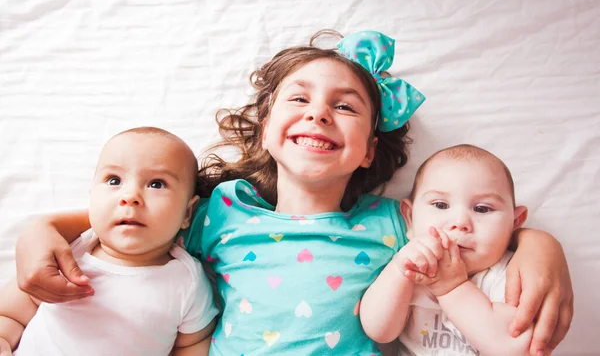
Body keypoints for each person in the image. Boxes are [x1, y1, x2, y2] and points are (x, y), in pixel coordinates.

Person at [13, 31, 572, 355]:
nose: (320, 113)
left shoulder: (394, 222)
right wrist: (38, 229)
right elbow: (119, 216)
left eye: (346, 106)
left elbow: (473, 230)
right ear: (264, 127)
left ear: (369, 151)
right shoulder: (218, 210)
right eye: (299, 99)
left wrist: (542, 244)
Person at [0, 127, 219, 356]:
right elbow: (11, 314)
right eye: (114, 180)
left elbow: (192, 343)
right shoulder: (68, 251)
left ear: (187, 213)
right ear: (91, 196)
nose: (130, 196)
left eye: (156, 184)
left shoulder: (186, 281)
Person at [362, 144, 553, 356]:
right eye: (441, 205)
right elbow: (379, 332)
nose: (460, 222)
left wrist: (452, 288)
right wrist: (397, 271)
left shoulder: (511, 274)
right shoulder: (413, 272)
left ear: (514, 222)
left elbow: (518, 348)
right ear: (409, 218)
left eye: (482, 209)